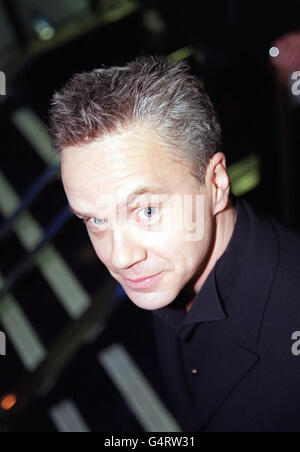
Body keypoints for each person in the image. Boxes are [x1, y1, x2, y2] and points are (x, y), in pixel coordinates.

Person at [49, 55, 300, 432]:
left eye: (146, 211)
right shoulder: (172, 267)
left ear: (216, 183)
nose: (120, 257)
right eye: (95, 220)